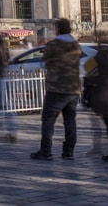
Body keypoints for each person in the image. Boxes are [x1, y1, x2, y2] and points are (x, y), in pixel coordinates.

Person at [30, 18, 82, 161]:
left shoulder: (53, 45)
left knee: (48, 120)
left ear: (58, 28)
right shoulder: (76, 45)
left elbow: (43, 64)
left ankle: (46, 151)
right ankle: (69, 151)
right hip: (73, 88)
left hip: (56, 88)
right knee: (70, 120)